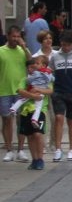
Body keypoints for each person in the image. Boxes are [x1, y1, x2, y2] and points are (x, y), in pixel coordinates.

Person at [49, 29, 72, 161]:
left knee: (71, 120)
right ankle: (58, 149)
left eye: (68, 45)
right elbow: (50, 73)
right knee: (59, 117)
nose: (65, 47)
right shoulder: (55, 56)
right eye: (63, 44)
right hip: (58, 91)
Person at [16, 53, 52, 170]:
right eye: (30, 67)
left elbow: (50, 90)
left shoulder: (44, 77)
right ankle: (34, 159)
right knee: (30, 136)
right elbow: (20, 91)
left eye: (35, 65)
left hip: (40, 110)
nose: (33, 68)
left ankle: (40, 159)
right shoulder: (25, 79)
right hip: (26, 111)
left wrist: (38, 90)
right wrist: (32, 95)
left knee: (37, 134)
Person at [1, 26, 28, 161]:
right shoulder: (1, 51)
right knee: (7, 120)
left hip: (20, 91)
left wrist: (24, 47)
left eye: (18, 36)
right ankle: (9, 149)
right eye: (14, 36)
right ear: (8, 36)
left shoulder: (22, 51)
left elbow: (32, 63)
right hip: (4, 91)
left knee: (21, 121)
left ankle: (21, 150)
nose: (16, 39)